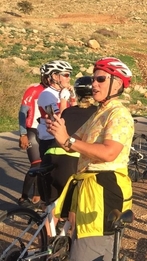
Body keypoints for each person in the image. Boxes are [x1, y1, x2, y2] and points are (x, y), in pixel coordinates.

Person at [40, 57, 134, 261]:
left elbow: (108, 152)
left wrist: (68, 139)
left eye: (100, 79)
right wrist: (62, 132)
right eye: (93, 79)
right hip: (88, 193)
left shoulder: (118, 114)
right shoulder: (100, 113)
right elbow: (75, 147)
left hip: (101, 193)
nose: (93, 84)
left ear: (118, 84)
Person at [41, 77, 97, 205]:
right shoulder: (97, 113)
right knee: (72, 210)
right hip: (71, 159)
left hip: (49, 156)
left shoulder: (67, 111)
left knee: (52, 208)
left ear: (76, 93)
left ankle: (46, 225)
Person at [17, 65, 48, 205]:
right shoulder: (34, 89)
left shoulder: (56, 92)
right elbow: (22, 113)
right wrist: (23, 133)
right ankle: (23, 197)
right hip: (32, 130)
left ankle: (37, 196)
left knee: (45, 165)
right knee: (36, 164)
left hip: (47, 132)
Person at [37, 60, 75, 159]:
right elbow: (59, 119)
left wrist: (73, 98)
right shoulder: (47, 94)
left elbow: (75, 115)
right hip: (50, 141)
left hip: (64, 138)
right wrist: (63, 100)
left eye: (70, 75)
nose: (69, 78)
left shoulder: (63, 92)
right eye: (66, 75)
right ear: (54, 76)